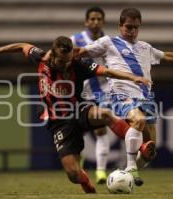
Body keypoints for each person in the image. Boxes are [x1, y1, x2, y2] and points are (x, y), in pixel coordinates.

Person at [0, 36, 152, 193]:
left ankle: (141, 147)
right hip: (59, 122)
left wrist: (132, 78)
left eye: (68, 61)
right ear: (53, 54)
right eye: (62, 62)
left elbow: (106, 71)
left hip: (79, 110)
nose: (66, 65)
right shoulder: (41, 57)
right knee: (73, 174)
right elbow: (21, 46)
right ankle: (85, 182)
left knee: (105, 114)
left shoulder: (78, 64)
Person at [76, 8, 173, 186]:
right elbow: (80, 52)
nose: (132, 31)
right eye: (128, 27)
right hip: (121, 93)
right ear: (120, 26)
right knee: (138, 120)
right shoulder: (107, 42)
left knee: (150, 149)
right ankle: (131, 167)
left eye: (136, 27)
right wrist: (53, 56)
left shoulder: (145, 47)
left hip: (146, 97)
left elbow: (167, 56)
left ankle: (126, 173)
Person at [70, 6, 110, 184]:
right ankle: (82, 162)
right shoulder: (75, 40)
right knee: (81, 129)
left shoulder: (109, 41)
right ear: (86, 21)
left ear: (103, 21)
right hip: (82, 91)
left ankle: (101, 171)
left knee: (101, 129)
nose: (95, 22)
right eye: (92, 19)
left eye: (98, 19)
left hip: (104, 92)